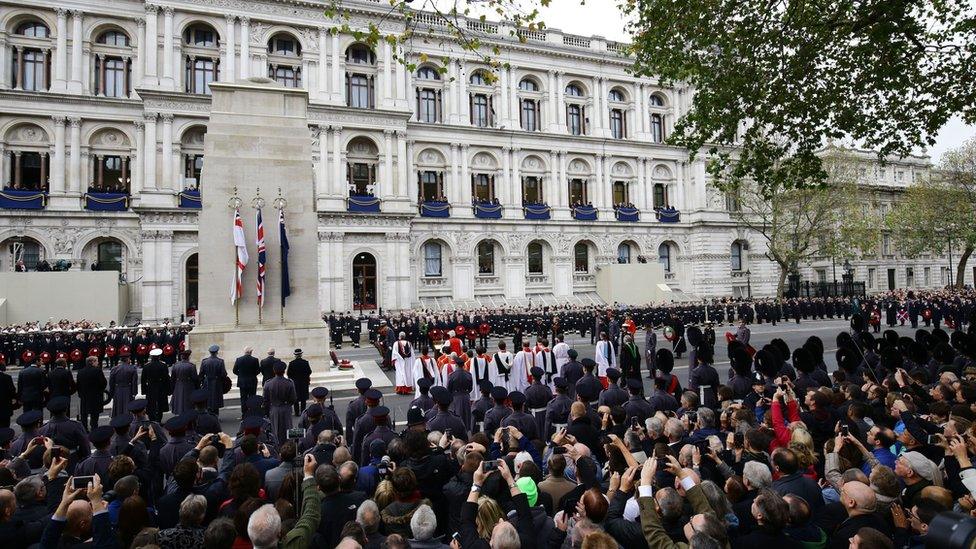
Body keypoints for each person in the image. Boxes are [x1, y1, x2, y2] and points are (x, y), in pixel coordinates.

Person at [264, 361, 298, 443]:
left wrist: (267, 412)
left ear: (274, 370)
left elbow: (266, 400)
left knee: (275, 430)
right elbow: (293, 398)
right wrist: (288, 405)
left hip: (274, 408)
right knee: (288, 429)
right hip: (286, 408)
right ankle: (289, 447)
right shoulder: (289, 383)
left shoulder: (268, 383)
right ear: (284, 371)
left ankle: (276, 447)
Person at [76, 355, 107, 431]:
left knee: (84, 413)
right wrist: (101, 390)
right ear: (92, 362)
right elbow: (103, 383)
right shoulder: (97, 370)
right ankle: (94, 428)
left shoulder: (80, 371)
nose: (98, 363)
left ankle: (84, 428)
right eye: (96, 361)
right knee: (94, 414)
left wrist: (80, 394)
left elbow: (78, 385)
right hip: (95, 395)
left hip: (84, 395)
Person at [200, 344, 228, 415]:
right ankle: (215, 414)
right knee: (216, 398)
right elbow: (224, 374)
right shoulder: (220, 361)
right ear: (216, 352)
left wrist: (203, 381)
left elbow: (201, 374)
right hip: (217, 382)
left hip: (207, 381)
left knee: (208, 398)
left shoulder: (204, 361)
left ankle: (209, 413)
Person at [108, 352, 139, 417]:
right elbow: (134, 382)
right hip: (128, 389)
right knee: (128, 407)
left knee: (118, 407)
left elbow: (111, 382)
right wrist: (134, 392)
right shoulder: (132, 368)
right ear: (128, 359)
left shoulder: (114, 369)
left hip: (118, 389)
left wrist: (111, 393)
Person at [233, 346, 260, 418]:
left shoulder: (239, 359)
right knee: (252, 397)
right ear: (251, 352)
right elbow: (258, 371)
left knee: (243, 398)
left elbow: (234, 370)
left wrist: (241, 375)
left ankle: (244, 415)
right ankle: (252, 413)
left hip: (242, 381)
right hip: (252, 381)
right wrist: (252, 375)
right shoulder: (255, 360)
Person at [170, 350, 199, 416]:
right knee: (188, 403)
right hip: (189, 387)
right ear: (188, 357)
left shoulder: (175, 365)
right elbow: (195, 379)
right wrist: (197, 388)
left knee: (179, 402)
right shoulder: (191, 366)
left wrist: (172, 389)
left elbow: (172, 379)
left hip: (178, 386)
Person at [287, 348, 312, 416]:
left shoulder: (291, 363)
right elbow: (309, 371)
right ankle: (303, 412)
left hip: (295, 383)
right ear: (301, 355)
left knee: (296, 398)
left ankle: (297, 412)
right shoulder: (305, 362)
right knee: (303, 398)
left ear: (295, 355)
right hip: (304, 382)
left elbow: (289, 374)